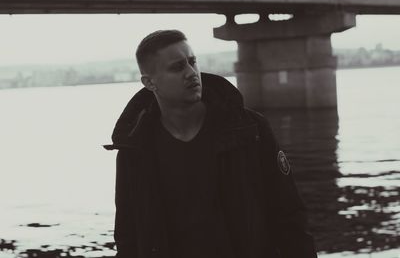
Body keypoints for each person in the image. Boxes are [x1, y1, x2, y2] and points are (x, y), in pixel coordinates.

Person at [104, 29, 317, 258]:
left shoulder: (250, 129)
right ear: (150, 82)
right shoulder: (134, 147)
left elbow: (289, 215)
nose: (191, 73)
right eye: (177, 67)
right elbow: (127, 235)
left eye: (192, 62)